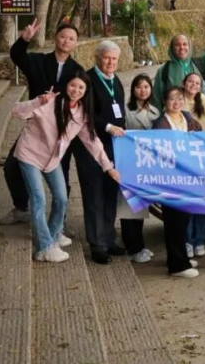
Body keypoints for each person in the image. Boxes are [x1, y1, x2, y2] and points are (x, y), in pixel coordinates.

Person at [11, 71, 120, 263]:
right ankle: (44, 247)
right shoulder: (50, 102)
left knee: (61, 198)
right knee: (38, 198)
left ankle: (53, 235)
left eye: (81, 87)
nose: (76, 90)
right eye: (72, 85)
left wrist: (108, 167)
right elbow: (17, 111)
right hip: (30, 154)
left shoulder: (81, 113)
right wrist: (38, 101)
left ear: (86, 91)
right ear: (66, 85)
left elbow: (93, 142)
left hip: (52, 159)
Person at [0, 19, 84, 226]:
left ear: (75, 44)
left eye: (71, 38)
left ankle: (60, 221)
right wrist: (24, 39)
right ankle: (21, 207)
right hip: (35, 128)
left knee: (62, 172)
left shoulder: (77, 70)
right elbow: (17, 56)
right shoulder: (38, 61)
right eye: (63, 36)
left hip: (61, 131)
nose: (66, 41)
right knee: (11, 167)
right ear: (56, 38)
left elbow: (83, 98)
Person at [76, 40, 126, 264]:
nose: (110, 62)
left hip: (114, 147)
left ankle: (108, 238)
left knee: (110, 193)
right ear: (97, 58)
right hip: (91, 146)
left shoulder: (116, 81)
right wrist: (107, 126)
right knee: (94, 194)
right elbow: (83, 112)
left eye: (114, 58)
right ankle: (97, 245)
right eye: (107, 58)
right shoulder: (87, 80)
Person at [153, 86, 202, 278]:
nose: (177, 102)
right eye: (172, 98)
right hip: (170, 179)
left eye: (180, 98)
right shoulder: (160, 124)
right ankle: (177, 266)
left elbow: (200, 136)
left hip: (187, 177)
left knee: (183, 220)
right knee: (173, 221)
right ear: (165, 101)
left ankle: (181, 258)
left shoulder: (187, 117)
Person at [181, 71, 205, 259]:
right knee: (188, 201)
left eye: (197, 83)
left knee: (202, 200)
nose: (194, 85)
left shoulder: (204, 101)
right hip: (184, 156)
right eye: (191, 81)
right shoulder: (178, 99)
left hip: (203, 155)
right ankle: (187, 240)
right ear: (184, 83)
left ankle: (200, 240)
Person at [122, 74, 160, 262]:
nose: (143, 90)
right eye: (139, 87)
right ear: (133, 89)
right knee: (130, 207)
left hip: (148, 164)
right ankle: (133, 248)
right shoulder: (126, 110)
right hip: (131, 162)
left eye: (146, 86)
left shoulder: (155, 111)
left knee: (141, 206)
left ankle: (140, 245)